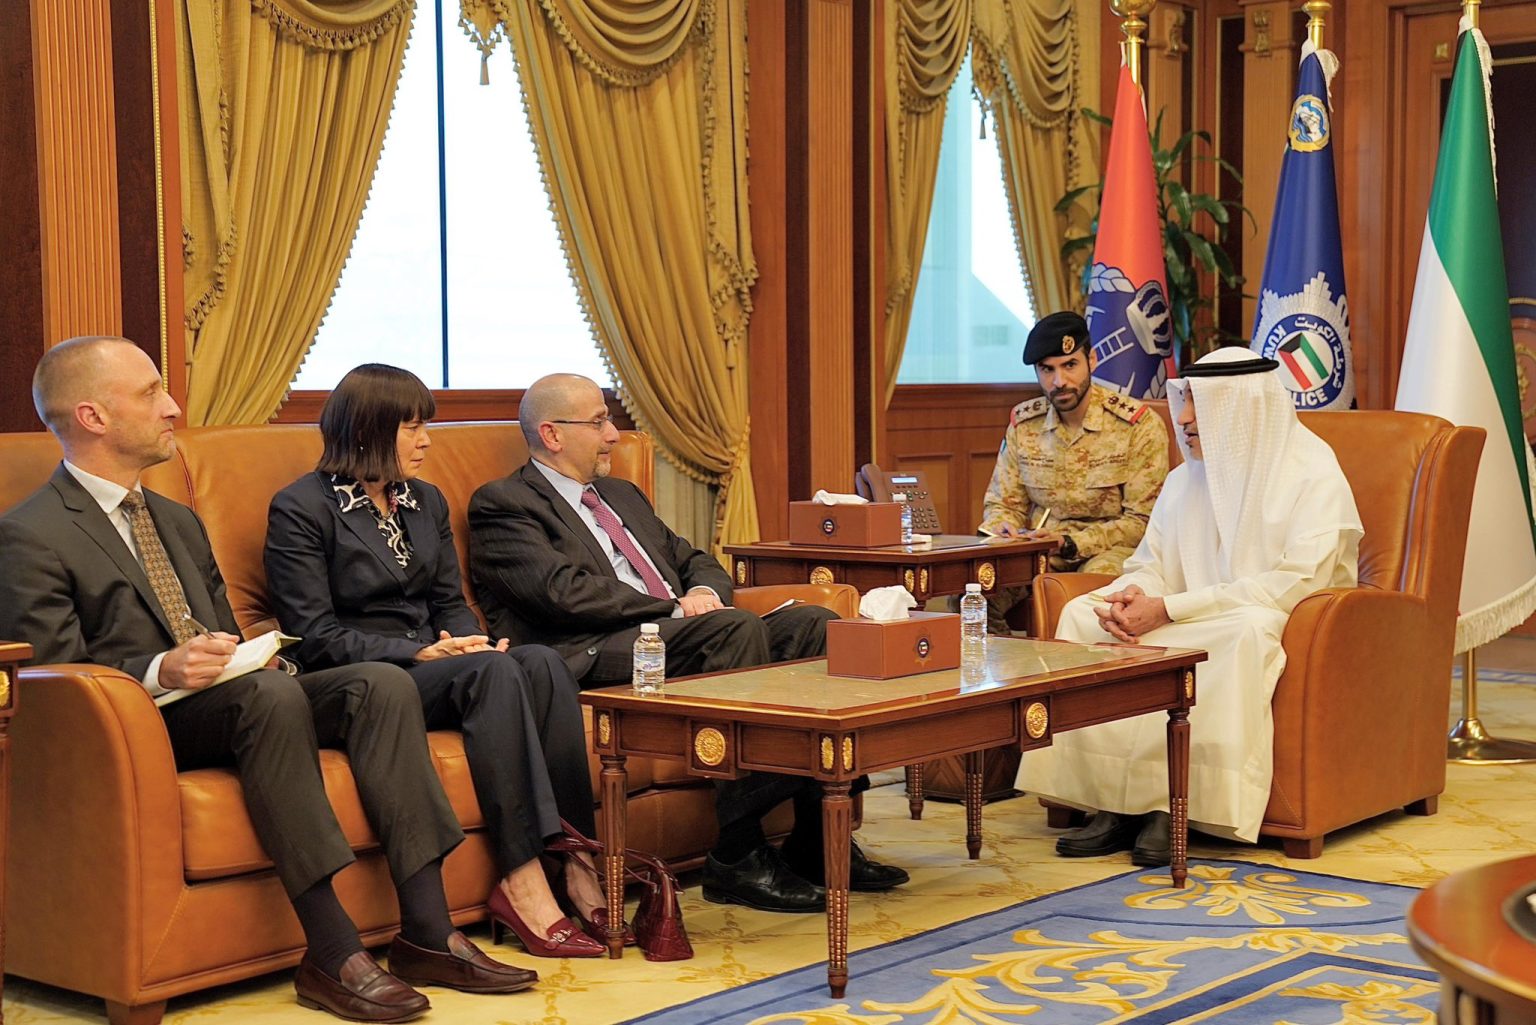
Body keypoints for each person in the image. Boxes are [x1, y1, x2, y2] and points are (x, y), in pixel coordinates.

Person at [0, 338, 532, 1024]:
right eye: (151, 393)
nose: (173, 407)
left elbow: (224, 630)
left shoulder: (176, 520)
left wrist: (260, 653)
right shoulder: (30, 533)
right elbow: (48, 677)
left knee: (378, 682)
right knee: (268, 694)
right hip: (142, 720)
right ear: (93, 416)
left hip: (234, 694)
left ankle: (428, 931)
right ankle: (332, 950)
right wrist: (161, 669)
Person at [467, 373, 909, 914]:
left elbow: (693, 558)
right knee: (733, 629)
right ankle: (737, 853)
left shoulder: (620, 495)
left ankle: (816, 840)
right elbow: (561, 594)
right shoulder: (505, 504)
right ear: (552, 434)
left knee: (814, 624)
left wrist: (702, 591)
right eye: (599, 422)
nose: (613, 435)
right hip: (592, 649)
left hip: (674, 631)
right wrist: (674, 607)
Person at [264, 364, 611, 960]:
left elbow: (450, 602)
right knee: (495, 671)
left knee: (541, 664)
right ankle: (521, 880)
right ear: (368, 430)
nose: (427, 441)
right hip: (369, 676)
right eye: (413, 428)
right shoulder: (301, 508)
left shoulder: (424, 500)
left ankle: (576, 862)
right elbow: (311, 635)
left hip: (442, 663)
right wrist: (418, 650)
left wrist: (472, 640)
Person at [1017, 347, 1363, 865]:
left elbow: (1296, 582)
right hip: (1184, 610)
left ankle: (1172, 806)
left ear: (1241, 408)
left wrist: (1171, 609)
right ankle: (1110, 800)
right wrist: (1132, 595)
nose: (1182, 419)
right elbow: (1151, 562)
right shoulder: (1186, 479)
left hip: (1266, 615)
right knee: (1084, 616)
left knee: (1241, 632)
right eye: (1184, 402)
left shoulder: (1312, 471)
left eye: (1199, 405)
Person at [978, 311, 1170, 633]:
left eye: (1070, 365)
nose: (1059, 381)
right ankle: (1012, 663)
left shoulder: (1138, 426)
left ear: (1091, 360)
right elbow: (1002, 503)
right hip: (1039, 552)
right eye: (1047, 369)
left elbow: (1143, 522)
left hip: (1111, 552)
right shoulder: (1024, 424)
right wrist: (1004, 529)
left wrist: (1069, 542)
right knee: (974, 591)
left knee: (1087, 603)